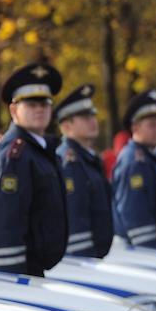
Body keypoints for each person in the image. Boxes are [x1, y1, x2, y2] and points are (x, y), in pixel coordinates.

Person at [0, 63, 68, 276]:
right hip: (16, 273)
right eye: (30, 104)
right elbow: (3, 223)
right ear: (14, 110)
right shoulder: (15, 155)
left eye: (45, 103)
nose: (39, 109)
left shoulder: (38, 150)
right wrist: (12, 279)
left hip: (32, 269)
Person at [111, 89, 156, 250]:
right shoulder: (135, 161)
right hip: (146, 253)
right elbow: (135, 213)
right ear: (135, 128)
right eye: (152, 125)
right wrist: (150, 251)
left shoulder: (148, 158)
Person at [54, 84, 115, 257]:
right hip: (81, 258)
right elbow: (75, 216)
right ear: (66, 126)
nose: (93, 121)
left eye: (93, 115)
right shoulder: (69, 161)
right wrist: (84, 259)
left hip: (94, 255)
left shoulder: (87, 158)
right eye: (85, 117)